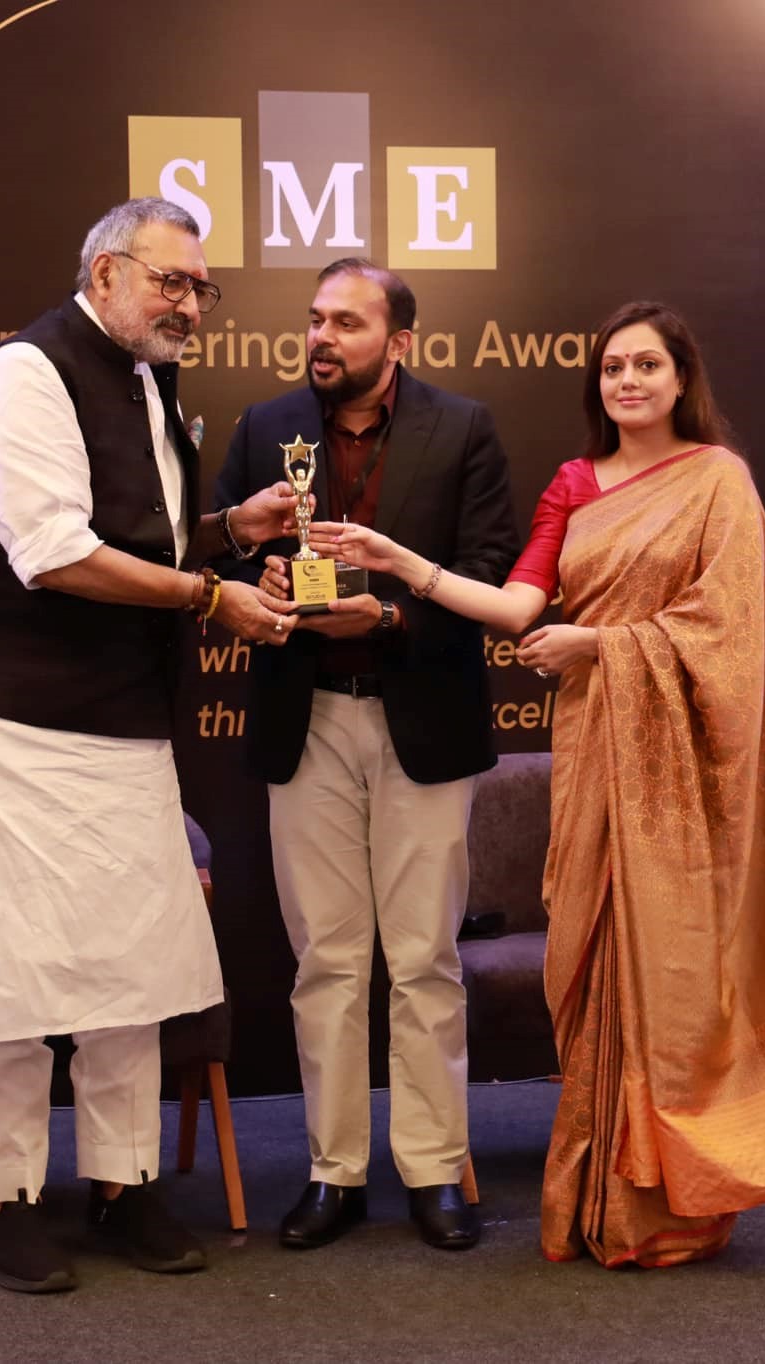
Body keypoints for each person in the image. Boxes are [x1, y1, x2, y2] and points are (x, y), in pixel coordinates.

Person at [311, 300, 765, 1267]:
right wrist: (399, 563)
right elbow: (517, 605)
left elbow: (728, 639)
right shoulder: (574, 484)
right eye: (613, 369)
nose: (628, 383)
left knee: (679, 973)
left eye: (647, 366)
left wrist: (602, 645)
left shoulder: (718, 484)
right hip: (597, 757)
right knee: (594, 961)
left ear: (682, 378)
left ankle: (679, 1193)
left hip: (681, 776)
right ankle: (609, 1186)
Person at [0, 198, 300, 1294]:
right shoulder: (22, 374)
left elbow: (135, 544)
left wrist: (224, 533)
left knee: (130, 970)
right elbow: (54, 554)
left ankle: (123, 1184)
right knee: (16, 977)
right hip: (13, 714)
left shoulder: (148, 382)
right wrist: (212, 593)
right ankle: (10, 1198)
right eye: (172, 282)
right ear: (106, 272)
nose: (190, 306)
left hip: (121, 721)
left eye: (201, 288)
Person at [212, 259, 520, 1252]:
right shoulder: (265, 426)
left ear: (399, 340)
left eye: (345, 321)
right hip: (305, 717)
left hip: (418, 715)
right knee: (326, 960)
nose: (322, 337)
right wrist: (250, 588)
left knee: (424, 956)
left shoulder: (462, 426)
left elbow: (485, 575)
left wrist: (384, 612)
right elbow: (215, 555)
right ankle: (332, 1170)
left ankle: (433, 1168)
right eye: (314, 320)